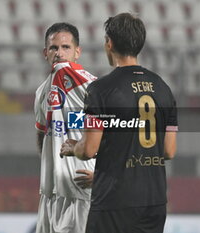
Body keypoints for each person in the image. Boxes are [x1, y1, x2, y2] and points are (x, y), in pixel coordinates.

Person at [60, 13, 178, 233]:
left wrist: (72, 147)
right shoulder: (163, 88)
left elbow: (88, 150)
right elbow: (169, 151)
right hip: (154, 201)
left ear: (109, 43)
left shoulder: (101, 90)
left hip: (114, 203)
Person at [34, 22, 97, 233]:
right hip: (50, 192)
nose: (59, 53)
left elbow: (114, 133)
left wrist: (103, 174)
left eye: (66, 47)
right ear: (45, 52)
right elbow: (43, 133)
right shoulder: (42, 91)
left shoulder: (91, 87)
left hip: (79, 189)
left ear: (77, 52)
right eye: (54, 48)